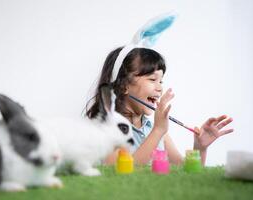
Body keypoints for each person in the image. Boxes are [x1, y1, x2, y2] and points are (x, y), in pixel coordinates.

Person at [85, 14, 233, 165]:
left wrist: (200, 148)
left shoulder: (152, 127)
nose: (160, 88)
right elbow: (118, 172)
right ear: (123, 85)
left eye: (161, 81)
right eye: (152, 79)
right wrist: (158, 131)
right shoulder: (106, 129)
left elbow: (183, 172)